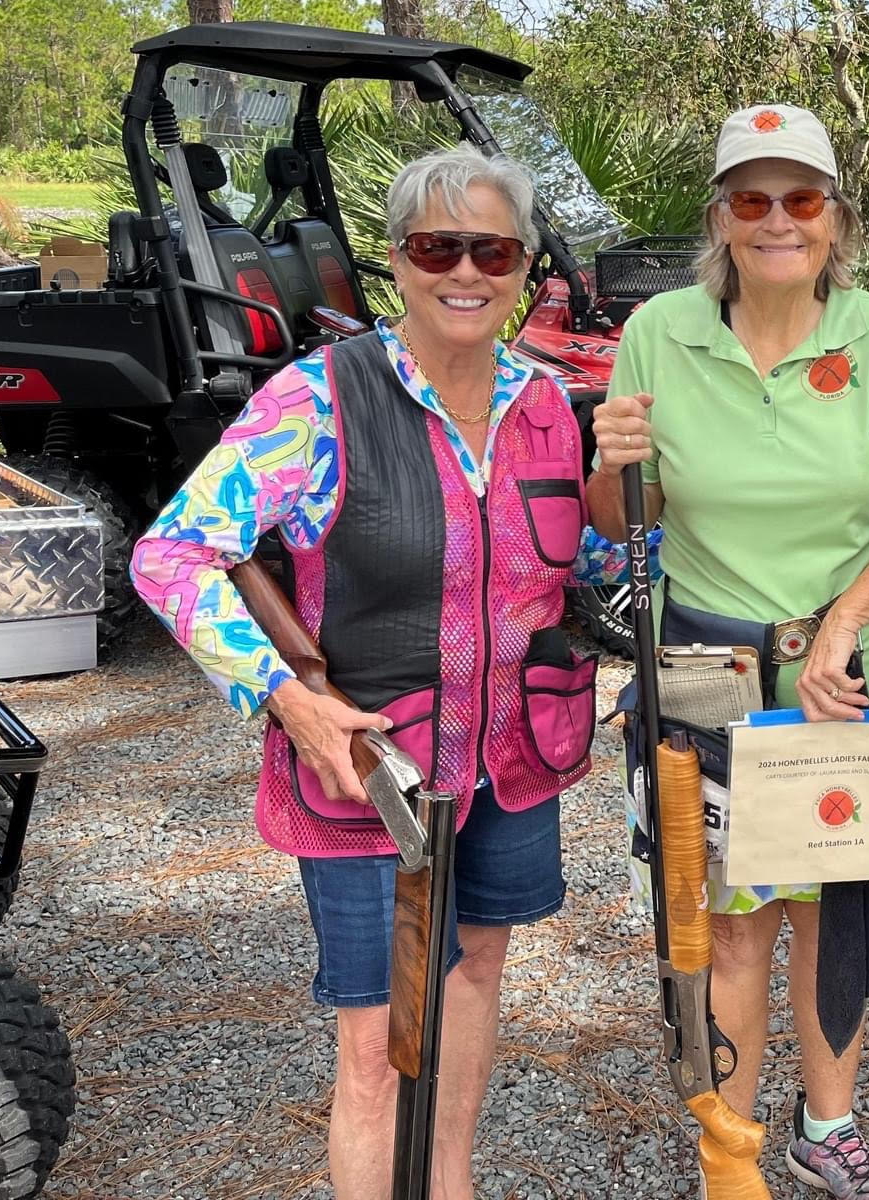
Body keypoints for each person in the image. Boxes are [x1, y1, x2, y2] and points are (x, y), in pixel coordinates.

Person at [132, 146, 628, 1200]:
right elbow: (171, 554)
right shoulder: (318, 399)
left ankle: (446, 1183)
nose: (464, 271)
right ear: (396, 263)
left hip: (510, 763)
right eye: (434, 247)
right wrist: (289, 700)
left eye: (489, 248)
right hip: (376, 779)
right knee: (378, 1041)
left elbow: (589, 564)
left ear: (525, 266)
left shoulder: (547, 405)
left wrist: (630, 491)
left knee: (476, 975)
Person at [587, 102, 869, 1200]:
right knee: (729, 920)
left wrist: (848, 617)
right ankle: (729, 1142)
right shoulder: (661, 330)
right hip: (709, 672)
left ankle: (828, 1125)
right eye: (750, 199)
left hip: (850, 675)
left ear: (832, 217)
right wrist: (612, 460)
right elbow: (624, 512)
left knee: (830, 911)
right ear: (720, 216)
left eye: (798, 198)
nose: (775, 220)